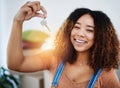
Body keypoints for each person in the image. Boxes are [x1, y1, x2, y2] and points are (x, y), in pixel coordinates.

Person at [7, 1, 120, 88]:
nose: (80, 34)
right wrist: (18, 21)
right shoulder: (54, 57)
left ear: (100, 37)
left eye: (89, 30)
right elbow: (16, 64)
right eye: (76, 27)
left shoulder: (105, 73)